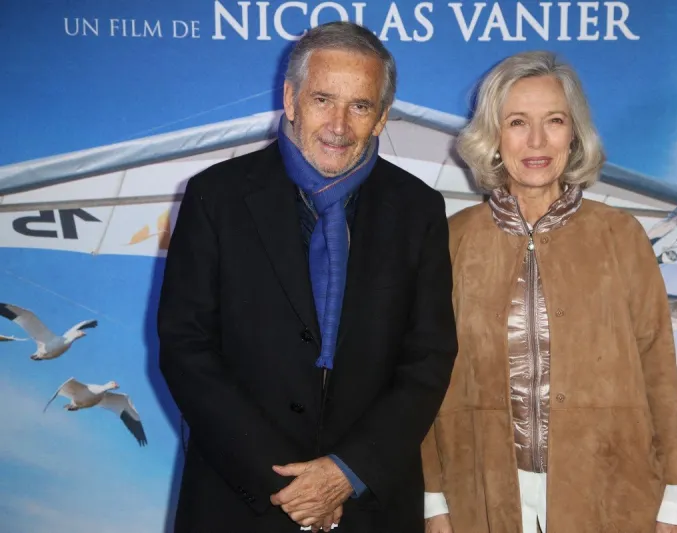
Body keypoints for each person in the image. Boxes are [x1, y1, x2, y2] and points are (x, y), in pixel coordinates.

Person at [158, 21, 458, 533]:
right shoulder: (216, 197)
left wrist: (346, 473)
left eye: (360, 106)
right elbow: (187, 349)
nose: (338, 125)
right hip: (239, 500)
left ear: (382, 116)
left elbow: (428, 357)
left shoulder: (419, 209)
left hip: (370, 505)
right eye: (323, 99)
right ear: (291, 99)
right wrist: (287, 485)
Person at [421, 51, 677, 533]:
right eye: (518, 122)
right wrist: (432, 500)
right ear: (494, 136)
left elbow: (659, 370)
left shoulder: (620, 236)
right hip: (478, 490)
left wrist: (674, 499)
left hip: (612, 489)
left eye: (555, 121)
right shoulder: (450, 240)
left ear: (575, 133)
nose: (538, 141)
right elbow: (424, 374)